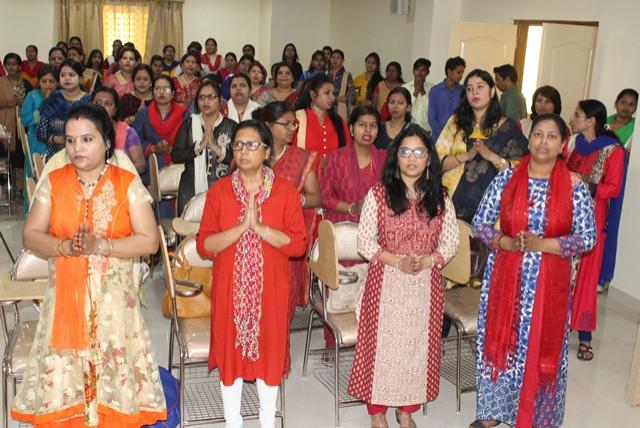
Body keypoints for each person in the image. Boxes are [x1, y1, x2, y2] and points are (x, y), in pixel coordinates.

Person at [12, 103, 166, 427]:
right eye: (70, 141)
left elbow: (149, 241)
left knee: (113, 392)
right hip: (66, 306)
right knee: (66, 393)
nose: (76, 148)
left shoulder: (127, 183)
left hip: (114, 309)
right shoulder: (54, 181)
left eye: (86, 139)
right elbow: (30, 235)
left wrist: (103, 246)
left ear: (106, 141)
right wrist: (63, 246)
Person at [470, 113, 596, 428]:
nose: (543, 141)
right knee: (502, 344)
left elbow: (588, 237)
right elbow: (480, 223)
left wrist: (543, 245)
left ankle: (535, 415)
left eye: (551, 136)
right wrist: (505, 242)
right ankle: (493, 411)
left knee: (537, 348)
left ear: (563, 143)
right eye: (538, 134)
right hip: (505, 278)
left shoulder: (573, 185)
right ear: (529, 138)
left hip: (547, 284)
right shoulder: (506, 178)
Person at [196, 120, 306, 428]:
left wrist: (260, 229)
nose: (243, 151)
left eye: (252, 145)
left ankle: (267, 421)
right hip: (229, 289)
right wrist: (241, 228)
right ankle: (233, 421)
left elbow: (298, 245)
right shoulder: (219, 191)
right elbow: (206, 244)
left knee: (269, 354)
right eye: (238, 145)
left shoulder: (284, 192)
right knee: (230, 353)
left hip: (271, 290)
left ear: (267, 151)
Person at [348, 124, 459, 428]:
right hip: (385, 280)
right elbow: (365, 243)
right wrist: (397, 261)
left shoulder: (439, 197)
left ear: (429, 159)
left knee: (416, 348)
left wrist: (428, 260)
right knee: (380, 347)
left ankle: (406, 410)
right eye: (406, 151)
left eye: (419, 152)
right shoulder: (379, 195)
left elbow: (450, 242)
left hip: (425, 284)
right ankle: (377, 412)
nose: (412, 158)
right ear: (396, 156)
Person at [255, 101, 321, 371]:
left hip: (287, 242)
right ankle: (253, 360)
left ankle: (277, 363)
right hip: (255, 241)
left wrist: (291, 200)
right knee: (255, 303)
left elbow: (316, 196)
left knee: (282, 305)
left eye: (295, 123)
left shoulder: (302, 157)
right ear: (269, 126)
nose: (293, 128)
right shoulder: (253, 152)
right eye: (287, 123)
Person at [567, 99, 625, 360]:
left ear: (591, 120)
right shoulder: (572, 144)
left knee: (586, 280)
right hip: (565, 218)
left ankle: (585, 335)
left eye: (577, 115)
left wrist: (584, 185)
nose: (572, 118)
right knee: (561, 275)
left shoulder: (613, 151)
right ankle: (557, 328)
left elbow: (613, 188)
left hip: (591, 221)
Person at [436, 68, 528, 223]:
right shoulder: (455, 123)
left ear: (492, 91)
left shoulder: (508, 127)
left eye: (480, 87)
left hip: (491, 206)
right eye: (469, 89)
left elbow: (521, 168)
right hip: (449, 202)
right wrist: (466, 156)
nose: (474, 92)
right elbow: (436, 162)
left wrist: (491, 156)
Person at [172, 79, 235, 214]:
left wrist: (216, 148)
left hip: (222, 188)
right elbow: (176, 156)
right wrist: (198, 148)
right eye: (201, 97)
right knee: (188, 232)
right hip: (190, 186)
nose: (206, 101)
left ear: (220, 100)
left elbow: (238, 160)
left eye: (211, 97)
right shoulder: (189, 124)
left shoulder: (231, 126)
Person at [599, 89, 638, 290]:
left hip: (616, 183)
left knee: (609, 225)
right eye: (623, 102)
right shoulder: (604, 122)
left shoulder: (635, 130)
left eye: (632, 104)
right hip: (597, 179)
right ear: (616, 102)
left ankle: (603, 276)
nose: (626, 107)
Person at [321, 105, 386, 224]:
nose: (368, 130)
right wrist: (353, 208)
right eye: (362, 125)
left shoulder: (384, 158)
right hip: (342, 227)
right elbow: (325, 198)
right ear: (351, 129)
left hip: (375, 227)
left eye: (373, 126)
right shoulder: (336, 158)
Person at [293, 72, 349, 170]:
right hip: (304, 178)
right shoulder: (298, 118)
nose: (332, 97)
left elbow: (347, 151)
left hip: (332, 178)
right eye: (327, 93)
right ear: (313, 95)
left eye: (334, 94)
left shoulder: (338, 121)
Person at [38, 59, 91, 159]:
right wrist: (57, 139)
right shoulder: (51, 101)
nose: (66, 78)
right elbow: (41, 133)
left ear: (80, 78)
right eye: (63, 75)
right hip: (55, 157)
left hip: (84, 154)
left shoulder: (89, 101)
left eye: (71, 75)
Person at [92, 86, 146, 174]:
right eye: (98, 102)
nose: (102, 107)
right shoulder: (82, 130)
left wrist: (115, 173)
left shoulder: (128, 132)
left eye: (108, 104)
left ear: (115, 110)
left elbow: (140, 166)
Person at [21, 64, 57, 183]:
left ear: (57, 83)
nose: (48, 85)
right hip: (37, 141)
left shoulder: (61, 96)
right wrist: (39, 114)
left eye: (51, 81)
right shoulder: (32, 96)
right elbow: (25, 119)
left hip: (57, 141)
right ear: (39, 82)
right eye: (44, 81)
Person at [428, 56, 466, 141]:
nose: (461, 76)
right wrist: (444, 134)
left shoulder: (463, 91)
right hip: (438, 138)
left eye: (462, 73)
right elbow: (432, 118)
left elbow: (465, 115)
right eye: (458, 72)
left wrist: (456, 134)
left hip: (458, 139)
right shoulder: (435, 91)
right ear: (449, 72)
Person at [403, 58, 433, 132]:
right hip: (408, 128)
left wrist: (423, 91)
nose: (419, 73)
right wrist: (415, 93)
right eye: (417, 69)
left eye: (423, 70)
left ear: (428, 72)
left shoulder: (432, 88)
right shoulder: (405, 87)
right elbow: (404, 109)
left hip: (426, 129)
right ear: (413, 71)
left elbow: (431, 110)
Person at [328, 49, 355, 123]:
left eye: (338, 58)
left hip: (341, 110)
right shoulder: (326, 74)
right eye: (333, 57)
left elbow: (352, 95)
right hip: (327, 109)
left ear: (342, 60)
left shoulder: (347, 75)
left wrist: (340, 99)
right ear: (330, 59)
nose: (335, 60)